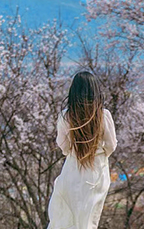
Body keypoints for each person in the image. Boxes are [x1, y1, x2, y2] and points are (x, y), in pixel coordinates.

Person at [48, 71, 118, 229]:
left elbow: (62, 144)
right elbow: (111, 144)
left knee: (67, 216)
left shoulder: (66, 116)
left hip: (72, 169)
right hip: (97, 172)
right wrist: (99, 154)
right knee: (89, 218)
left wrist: (73, 154)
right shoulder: (103, 115)